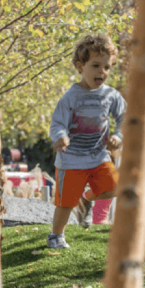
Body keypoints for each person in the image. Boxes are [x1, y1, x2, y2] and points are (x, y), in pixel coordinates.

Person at [46, 33, 126, 248]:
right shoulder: (71, 97)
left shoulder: (111, 95)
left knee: (117, 187)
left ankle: (86, 198)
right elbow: (57, 123)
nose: (102, 72)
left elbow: (124, 118)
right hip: (71, 159)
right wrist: (60, 137)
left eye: (107, 67)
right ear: (81, 67)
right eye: (96, 66)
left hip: (98, 156)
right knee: (65, 203)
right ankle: (56, 236)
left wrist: (118, 136)